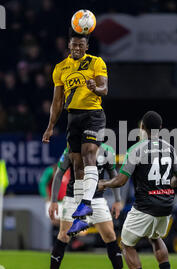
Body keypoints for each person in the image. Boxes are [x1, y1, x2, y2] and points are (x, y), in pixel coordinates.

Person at [98, 111, 177, 269]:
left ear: (142, 128)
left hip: (145, 206)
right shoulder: (169, 147)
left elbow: (121, 180)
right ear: (160, 129)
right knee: (155, 237)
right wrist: (164, 187)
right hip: (166, 204)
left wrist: (103, 184)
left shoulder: (137, 149)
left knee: (126, 244)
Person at [42, 28, 108, 236]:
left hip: (93, 114)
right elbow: (57, 101)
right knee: (77, 165)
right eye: (74, 45)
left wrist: (94, 88)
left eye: (81, 45)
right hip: (73, 118)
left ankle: (86, 204)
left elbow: (104, 89)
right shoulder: (61, 68)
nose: (77, 48)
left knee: (90, 154)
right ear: (68, 46)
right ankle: (83, 218)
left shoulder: (97, 62)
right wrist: (51, 126)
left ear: (87, 47)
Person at [47, 144, 133, 269]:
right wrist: (54, 200)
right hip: (73, 198)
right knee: (64, 236)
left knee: (110, 236)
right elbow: (59, 174)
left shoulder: (107, 151)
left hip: (97, 199)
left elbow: (113, 175)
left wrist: (118, 200)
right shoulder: (71, 148)